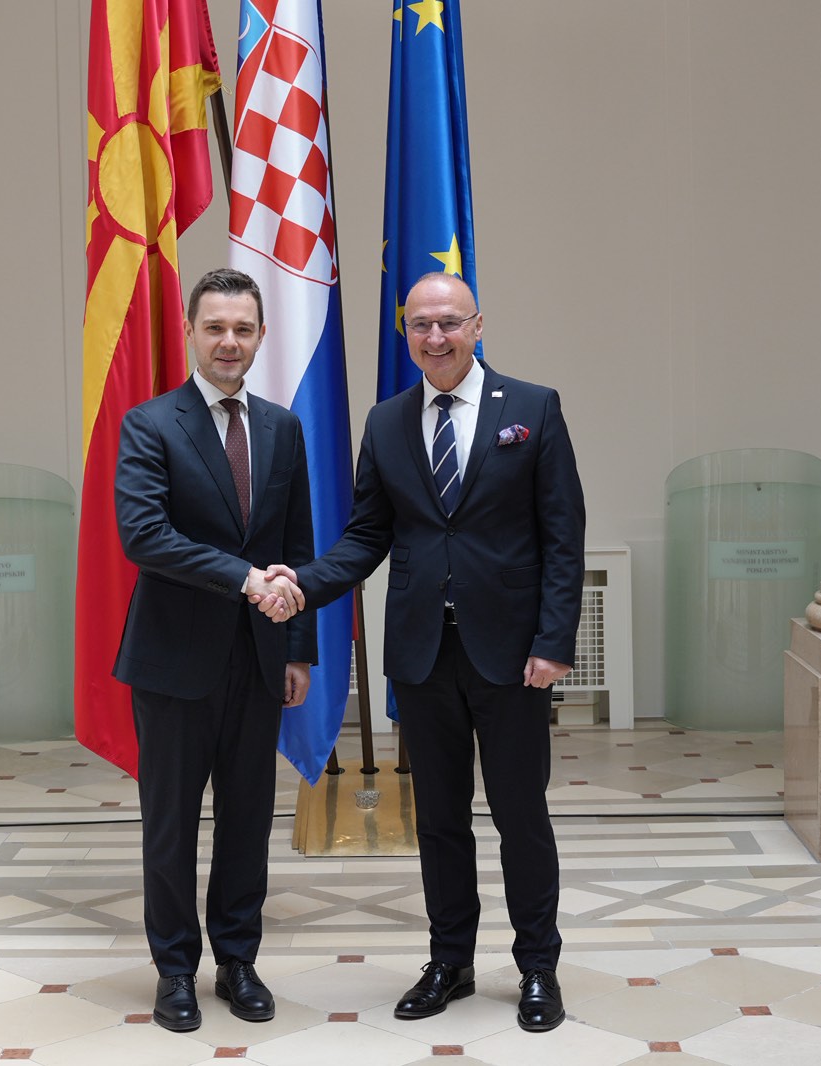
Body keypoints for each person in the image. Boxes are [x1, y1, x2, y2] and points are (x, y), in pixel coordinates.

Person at [260, 273, 586, 1033]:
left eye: (449, 323)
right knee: (439, 819)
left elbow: (563, 534)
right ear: (405, 332)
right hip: (422, 654)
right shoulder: (388, 421)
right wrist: (303, 585)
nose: (435, 337)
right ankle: (450, 962)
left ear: (478, 326)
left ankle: (538, 968)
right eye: (420, 325)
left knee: (521, 815)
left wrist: (554, 642)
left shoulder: (532, 407)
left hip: (512, 656)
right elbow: (367, 536)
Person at [113, 268, 315, 1032]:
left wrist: (297, 649)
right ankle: (174, 970)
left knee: (247, 820)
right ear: (191, 333)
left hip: (259, 660)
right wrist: (242, 578)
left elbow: (297, 543)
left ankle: (237, 960)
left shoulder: (283, 429)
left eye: (243, 329)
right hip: (173, 662)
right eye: (215, 328)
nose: (229, 341)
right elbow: (145, 536)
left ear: (261, 336)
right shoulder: (150, 424)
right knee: (170, 824)